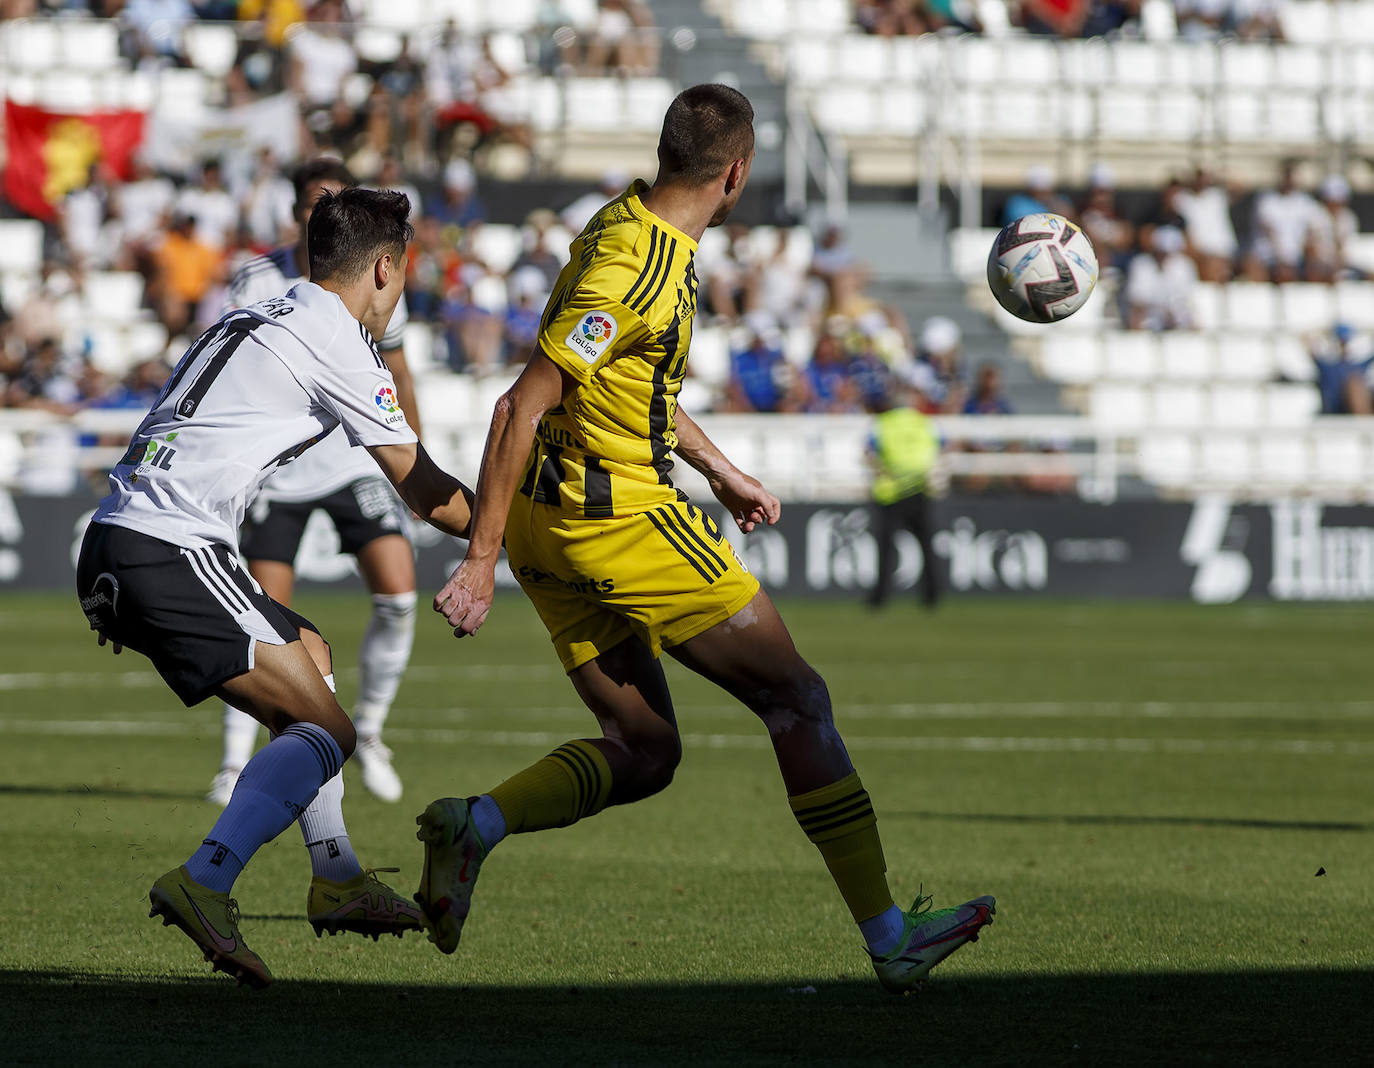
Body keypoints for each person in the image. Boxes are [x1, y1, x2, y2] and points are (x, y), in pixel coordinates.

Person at [412, 84, 994, 993]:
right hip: (620, 523)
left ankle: (474, 824)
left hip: (551, 522)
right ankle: (890, 936)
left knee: (644, 751)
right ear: (737, 173)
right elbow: (521, 401)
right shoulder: (640, 269)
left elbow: (624, 383)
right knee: (797, 699)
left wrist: (719, 469)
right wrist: (477, 563)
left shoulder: (626, 224)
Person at [75, 187, 475, 987]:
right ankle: (207, 877)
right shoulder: (339, 337)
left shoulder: (253, 310)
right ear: (386, 270)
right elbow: (427, 493)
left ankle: (336, 875)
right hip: (170, 547)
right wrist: (518, 523)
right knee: (331, 731)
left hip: (124, 540)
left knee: (312, 654)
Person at [210, 158, 423, 806]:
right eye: (311, 201)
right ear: (299, 212)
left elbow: (399, 370)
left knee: (399, 593)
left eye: (331, 200)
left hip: (356, 460)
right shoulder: (256, 278)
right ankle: (234, 759)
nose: (319, 210)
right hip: (281, 470)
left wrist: (416, 458)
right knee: (264, 623)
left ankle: (375, 734)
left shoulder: (378, 278)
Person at [866, 384, 940, 609]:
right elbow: (938, 449)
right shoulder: (924, 423)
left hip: (890, 493)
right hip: (919, 489)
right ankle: (932, 595)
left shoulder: (883, 424)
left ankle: (880, 597)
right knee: (927, 545)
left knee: (886, 549)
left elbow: (869, 453)